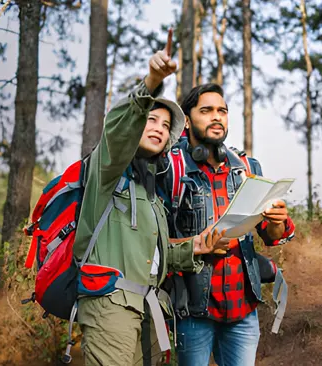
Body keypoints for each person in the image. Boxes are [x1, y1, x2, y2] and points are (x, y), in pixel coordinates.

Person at [72, 31, 229, 366]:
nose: (158, 127)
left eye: (165, 124)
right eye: (150, 119)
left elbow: (154, 256)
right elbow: (118, 130)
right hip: (110, 306)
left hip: (150, 308)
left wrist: (199, 247)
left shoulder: (150, 193)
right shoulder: (108, 171)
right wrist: (153, 81)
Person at [158, 83, 296, 366]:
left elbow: (271, 237)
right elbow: (152, 242)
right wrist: (195, 245)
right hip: (192, 313)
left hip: (243, 310)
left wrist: (277, 221)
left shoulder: (247, 167)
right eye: (206, 111)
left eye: (222, 110)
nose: (216, 117)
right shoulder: (170, 169)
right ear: (187, 120)